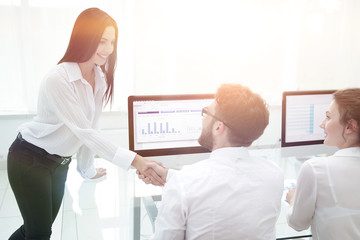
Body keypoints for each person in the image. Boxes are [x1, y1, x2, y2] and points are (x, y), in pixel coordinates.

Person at [7, 8, 165, 240]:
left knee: (37, 231)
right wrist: (138, 161)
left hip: (59, 164)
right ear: (84, 38)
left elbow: (91, 126)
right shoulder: (58, 79)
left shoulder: (99, 77)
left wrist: (86, 169)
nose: (108, 49)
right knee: (39, 233)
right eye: (102, 41)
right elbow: (85, 132)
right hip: (29, 159)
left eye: (111, 42)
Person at [140, 84, 284, 240]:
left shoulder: (184, 184)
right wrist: (170, 176)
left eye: (206, 113)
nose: (203, 119)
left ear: (218, 127)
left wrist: (177, 182)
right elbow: (228, 182)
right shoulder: (274, 174)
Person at [286, 88, 360, 240]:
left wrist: (293, 199)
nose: (321, 124)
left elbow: (298, 224)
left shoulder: (315, 169)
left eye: (327, 117)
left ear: (350, 127)